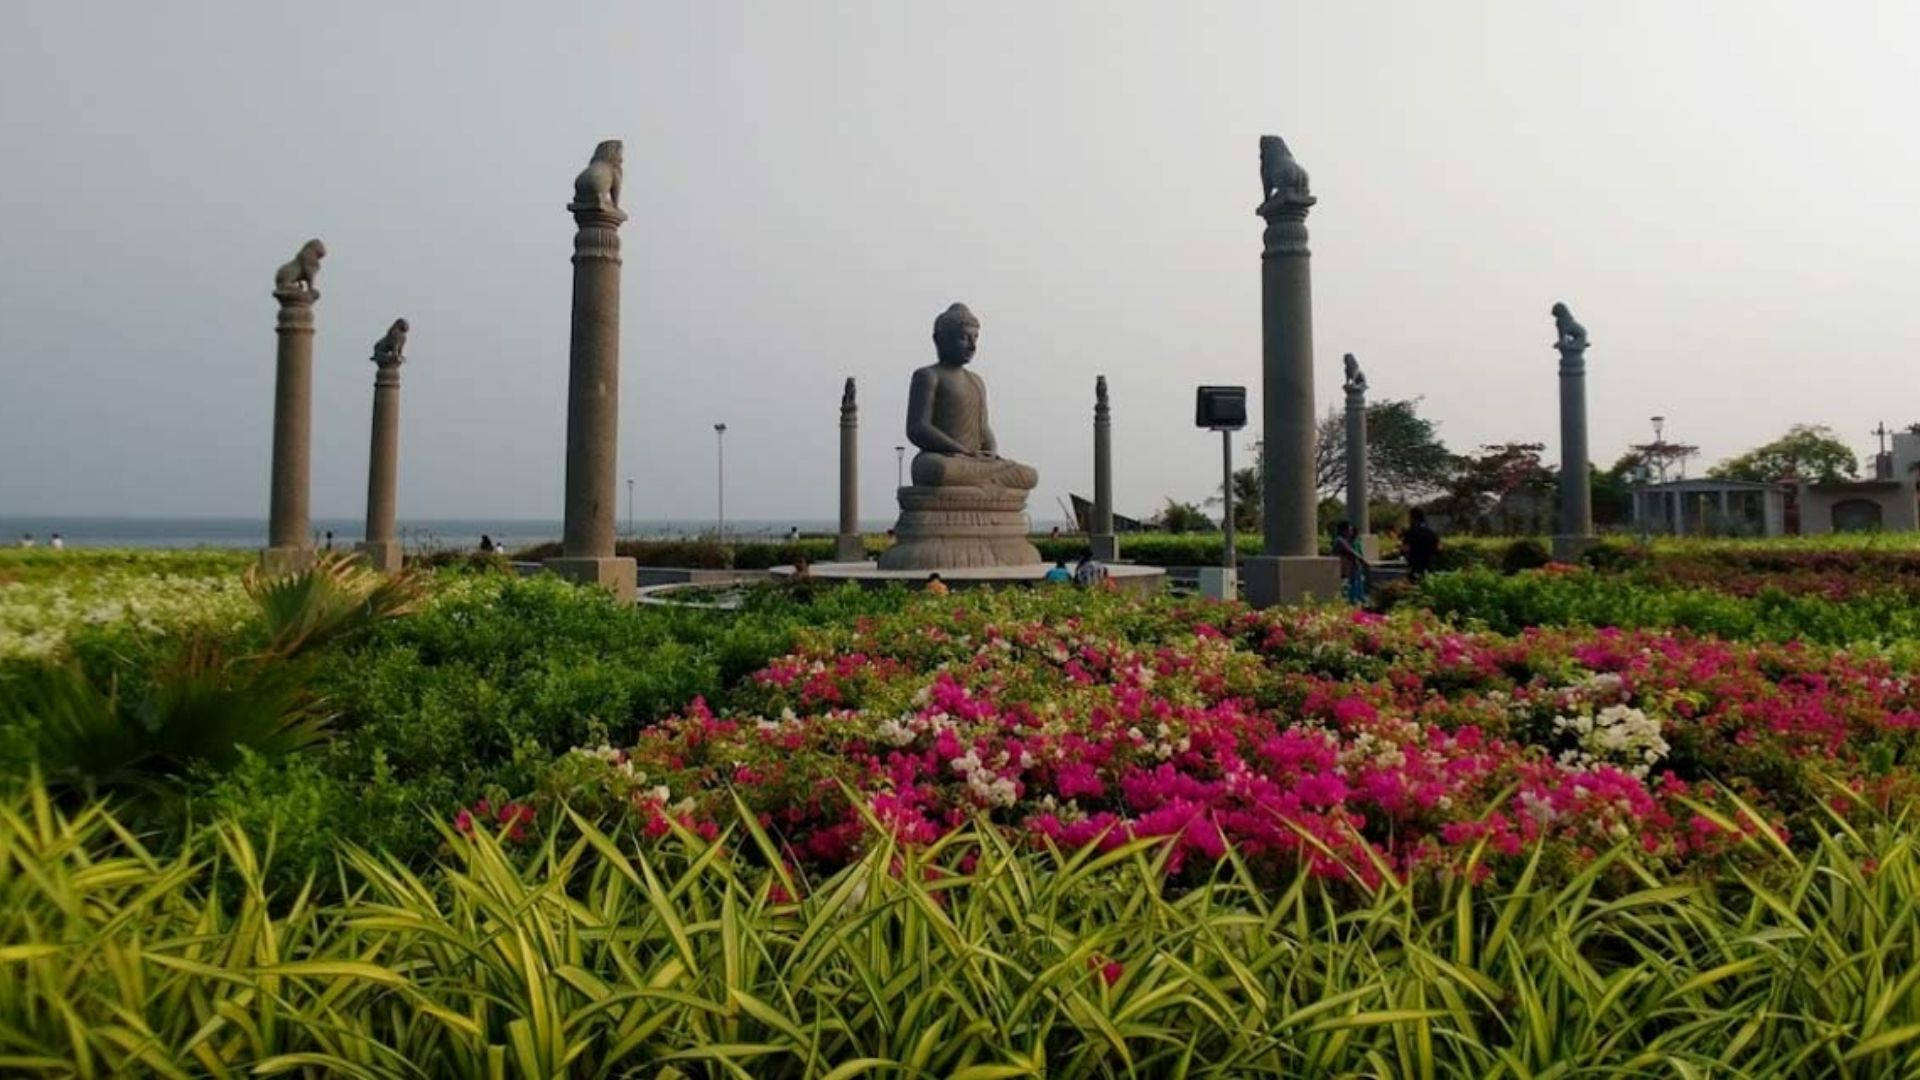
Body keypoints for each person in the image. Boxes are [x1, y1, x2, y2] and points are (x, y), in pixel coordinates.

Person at [1333, 521, 1370, 604]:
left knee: (1356, 582)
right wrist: (1362, 560)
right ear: (1344, 530)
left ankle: (1356, 599)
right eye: (1349, 530)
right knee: (1350, 585)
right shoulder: (1340, 540)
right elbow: (1351, 552)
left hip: (1351, 567)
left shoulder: (1346, 540)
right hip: (1345, 567)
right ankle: (1351, 600)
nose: (1350, 532)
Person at [1402, 508, 1440, 582]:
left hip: (1415, 565)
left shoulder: (1410, 532)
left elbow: (1406, 548)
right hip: (1429, 564)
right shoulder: (1431, 532)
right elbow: (1439, 548)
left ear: (1412, 517)